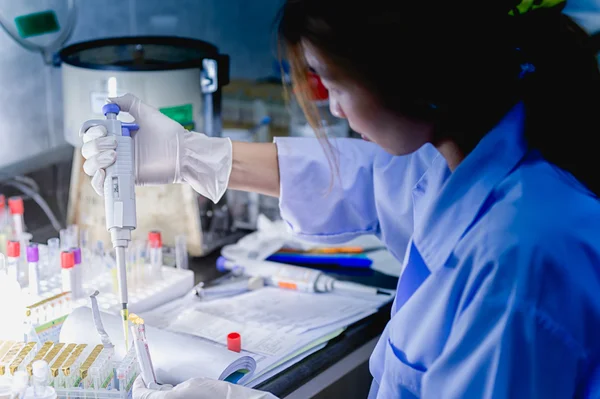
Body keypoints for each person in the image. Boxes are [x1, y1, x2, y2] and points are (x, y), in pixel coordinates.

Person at [81, 0, 600, 397]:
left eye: (332, 82)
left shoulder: (519, 257)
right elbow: (372, 179)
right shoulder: (467, 152)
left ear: (410, 72)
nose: (331, 109)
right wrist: (191, 156)